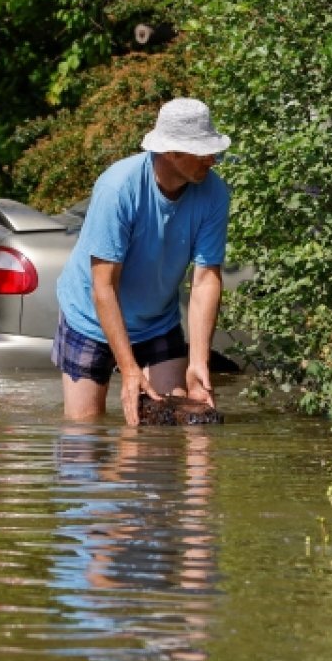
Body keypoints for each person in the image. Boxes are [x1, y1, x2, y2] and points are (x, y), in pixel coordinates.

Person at [53, 97, 232, 425]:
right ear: (172, 152)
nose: (212, 160)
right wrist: (130, 369)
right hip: (90, 318)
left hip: (156, 320)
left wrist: (198, 362)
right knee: (85, 431)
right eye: (204, 152)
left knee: (171, 427)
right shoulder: (118, 188)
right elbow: (104, 286)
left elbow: (206, 279)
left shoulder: (214, 193)